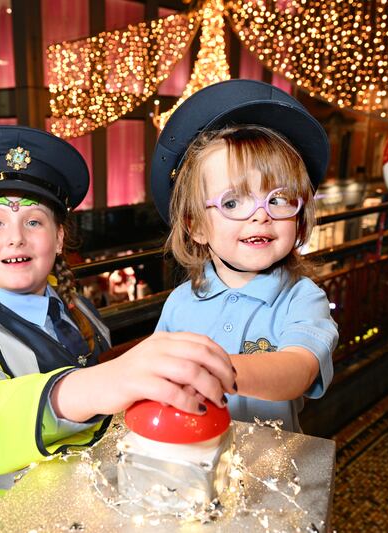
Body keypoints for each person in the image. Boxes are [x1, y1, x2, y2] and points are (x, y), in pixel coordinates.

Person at [0, 125, 236, 531]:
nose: (15, 238)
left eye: (34, 222)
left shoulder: (78, 308)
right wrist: (99, 384)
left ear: (58, 238)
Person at [150, 79, 339, 432]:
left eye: (278, 199)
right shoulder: (180, 302)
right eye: (233, 202)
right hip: (193, 460)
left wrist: (209, 371)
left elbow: (298, 370)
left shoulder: (302, 299)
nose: (260, 214)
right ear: (197, 226)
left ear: (298, 218)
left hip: (268, 472)